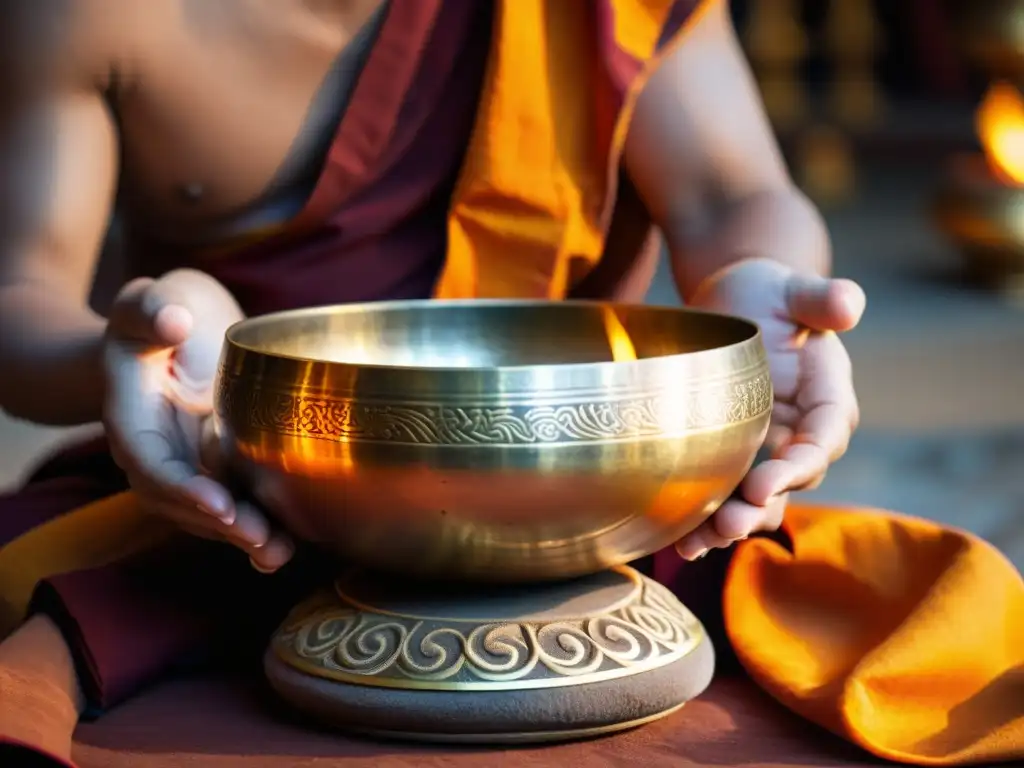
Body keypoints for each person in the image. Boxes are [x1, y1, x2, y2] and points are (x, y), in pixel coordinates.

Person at [0, 2, 1019, 767]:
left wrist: (760, 299)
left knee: (936, 634)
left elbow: (731, 192)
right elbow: (21, 294)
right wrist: (122, 359)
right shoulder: (92, 12)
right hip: (225, 491)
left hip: (610, 489)